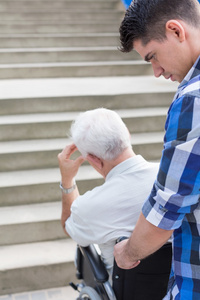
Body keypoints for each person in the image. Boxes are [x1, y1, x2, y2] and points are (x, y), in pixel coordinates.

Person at [114, 0, 200, 299]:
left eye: (153, 56)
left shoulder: (193, 99)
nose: (157, 71)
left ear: (176, 30)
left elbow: (169, 205)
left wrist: (128, 252)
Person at [57, 108, 171, 299]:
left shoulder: (90, 206)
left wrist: (67, 181)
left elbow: (68, 225)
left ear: (93, 159)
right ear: (127, 134)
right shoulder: (174, 178)